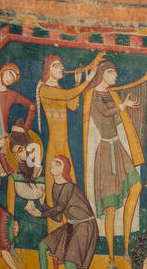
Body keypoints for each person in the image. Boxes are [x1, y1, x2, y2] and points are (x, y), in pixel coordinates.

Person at [81, 62, 145, 269]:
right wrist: (122, 107)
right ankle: (111, 258)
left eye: (115, 71)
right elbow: (104, 114)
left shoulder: (112, 95)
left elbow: (116, 118)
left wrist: (126, 112)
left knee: (136, 187)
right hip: (105, 152)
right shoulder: (92, 95)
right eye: (111, 71)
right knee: (110, 208)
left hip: (117, 147)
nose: (115, 74)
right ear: (102, 74)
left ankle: (126, 248)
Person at [26, 155, 105, 269]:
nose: (50, 167)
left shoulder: (69, 186)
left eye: (54, 165)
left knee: (70, 265)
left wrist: (39, 213)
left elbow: (59, 208)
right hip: (72, 224)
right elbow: (57, 216)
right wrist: (42, 203)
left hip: (85, 225)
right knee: (42, 246)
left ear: (62, 168)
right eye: (50, 165)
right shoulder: (55, 187)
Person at [35, 51, 104, 216]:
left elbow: (72, 105)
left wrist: (76, 82)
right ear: (48, 70)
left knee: (69, 180)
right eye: (57, 65)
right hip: (55, 143)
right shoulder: (45, 89)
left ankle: (69, 215)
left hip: (63, 142)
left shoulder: (58, 88)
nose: (62, 68)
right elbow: (67, 95)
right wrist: (87, 80)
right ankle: (54, 217)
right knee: (55, 181)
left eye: (61, 65)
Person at [0, 61, 35, 203]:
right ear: (2, 71)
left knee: (12, 177)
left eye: (14, 77)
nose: (10, 78)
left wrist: (24, 129)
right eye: (9, 73)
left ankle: (10, 215)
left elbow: (32, 106)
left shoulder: (12, 95)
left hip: (6, 142)